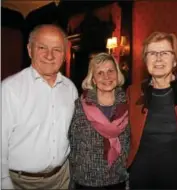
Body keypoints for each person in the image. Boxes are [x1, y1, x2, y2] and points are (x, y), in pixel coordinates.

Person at [1, 24, 78, 189]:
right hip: (22, 183)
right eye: (42, 47)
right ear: (30, 50)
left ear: (64, 55)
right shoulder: (9, 89)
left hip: (63, 178)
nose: (49, 55)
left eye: (57, 49)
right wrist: (3, 181)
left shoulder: (70, 88)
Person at [128, 31, 177, 189]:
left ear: (175, 60)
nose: (158, 58)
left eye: (165, 53)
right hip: (141, 177)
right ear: (145, 60)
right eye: (152, 53)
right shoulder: (133, 92)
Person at [68, 52, 130, 190]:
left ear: (117, 74)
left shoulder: (129, 104)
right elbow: (71, 143)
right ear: (93, 79)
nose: (106, 77)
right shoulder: (79, 106)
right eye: (100, 73)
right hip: (85, 182)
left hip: (117, 180)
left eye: (110, 71)